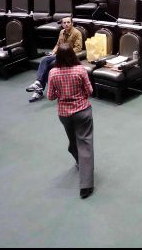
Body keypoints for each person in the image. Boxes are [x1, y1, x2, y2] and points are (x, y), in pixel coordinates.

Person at [47, 43, 95, 199]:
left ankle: (81, 163)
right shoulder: (80, 70)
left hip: (64, 114)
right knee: (85, 145)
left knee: (73, 142)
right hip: (82, 112)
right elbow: (90, 91)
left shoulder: (53, 72)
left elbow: (50, 96)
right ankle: (86, 186)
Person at [26, 17, 84, 102]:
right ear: (62, 24)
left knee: (50, 65)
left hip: (68, 56)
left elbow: (78, 48)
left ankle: (39, 90)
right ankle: (38, 83)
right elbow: (57, 45)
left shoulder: (77, 33)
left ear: (72, 23)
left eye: (68, 22)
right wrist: (53, 52)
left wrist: (65, 52)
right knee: (44, 59)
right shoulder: (61, 32)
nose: (66, 24)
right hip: (59, 54)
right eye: (64, 23)